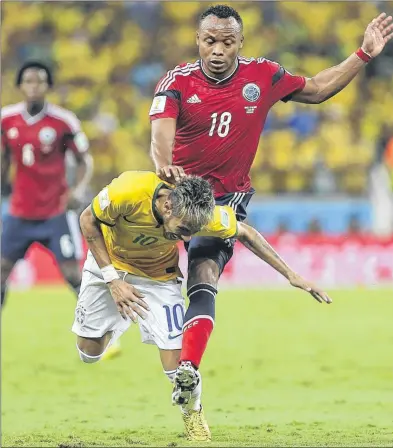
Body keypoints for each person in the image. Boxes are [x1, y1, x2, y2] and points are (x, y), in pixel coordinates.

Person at [149, 3, 393, 401]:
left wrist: (363, 53)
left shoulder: (262, 74)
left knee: (203, 272)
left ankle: (189, 369)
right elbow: (160, 137)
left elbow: (316, 89)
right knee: (139, 279)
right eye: (210, 41)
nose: (217, 50)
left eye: (227, 42)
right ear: (197, 40)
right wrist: (163, 167)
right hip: (174, 195)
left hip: (225, 198)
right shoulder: (176, 82)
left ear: (240, 43)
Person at [74, 170, 331, 442]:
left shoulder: (201, 215)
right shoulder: (129, 190)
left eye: (192, 233)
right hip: (109, 268)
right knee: (88, 353)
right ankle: (119, 320)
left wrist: (292, 275)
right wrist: (113, 281)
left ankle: (193, 413)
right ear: (168, 205)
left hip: (159, 279)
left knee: (178, 368)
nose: (186, 240)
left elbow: (247, 233)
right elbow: (87, 220)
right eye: (184, 230)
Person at [1, 61, 93, 306]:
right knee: (1, 271)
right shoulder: (6, 119)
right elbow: (3, 157)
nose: (34, 86)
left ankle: (101, 330)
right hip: (19, 212)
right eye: (28, 81)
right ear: (20, 85)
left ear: (48, 86)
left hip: (56, 212)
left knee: (73, 274)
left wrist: (79, 189)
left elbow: (85, 160)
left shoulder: (64, 121)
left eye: (39, 81)